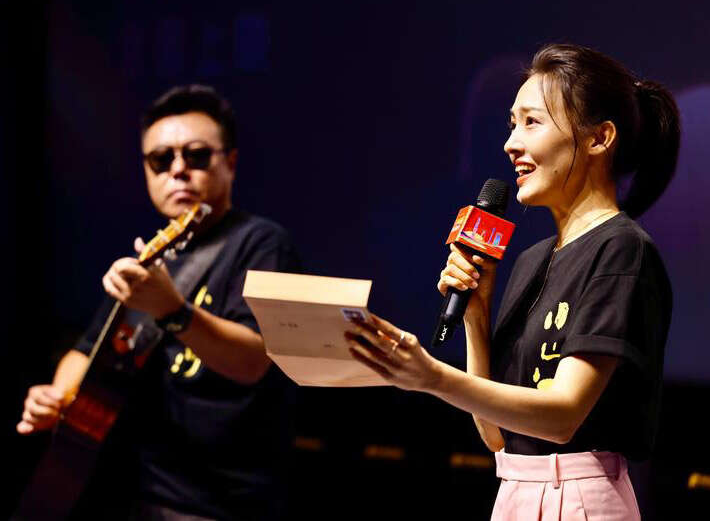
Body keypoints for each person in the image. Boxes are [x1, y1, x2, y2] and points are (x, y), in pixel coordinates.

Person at [345, 44, 678, 520]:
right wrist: (476, 317)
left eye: (532, 122)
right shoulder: (530, 261)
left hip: (580, 497)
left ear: (599, 138)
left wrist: (432, 377)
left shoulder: (621, 248)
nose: (510, 144)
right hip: (515, 492)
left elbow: (562, 417)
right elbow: (494, 434)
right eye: (511, 124)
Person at [17, 84, 300, 520]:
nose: (178, 170)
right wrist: (57, 396)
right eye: (161, 159)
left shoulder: (261, 242)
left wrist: (173, 310)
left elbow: (253, 362)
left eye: (197, 156)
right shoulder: (154, 256)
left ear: (230, 162)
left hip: (219, 505)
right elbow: (87, 350)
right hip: (129, 490)